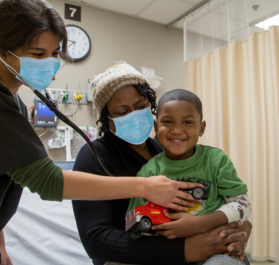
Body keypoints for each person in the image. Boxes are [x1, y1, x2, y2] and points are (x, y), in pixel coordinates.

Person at [0, 1, 201, 264]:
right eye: (37, 54)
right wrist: (146, 187)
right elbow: (47, 182)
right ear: (0, 51)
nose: (50, 64)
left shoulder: (10, 100)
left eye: (54, 53)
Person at [72, 64, 252, 265]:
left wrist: (239, 228)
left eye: (141, 106)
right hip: (133, 255)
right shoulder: (94, 156)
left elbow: (233, 202)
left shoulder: (169, 149)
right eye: (122, 111)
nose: (134, 114)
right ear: (107, 118)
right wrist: (186, 249)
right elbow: (96, 241)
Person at [125, 89, 251, 264]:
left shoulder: (216, 160)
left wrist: (201, 224)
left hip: (218, 253)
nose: (177, 130)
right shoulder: (148, 173)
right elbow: (136, 219)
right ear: (155, 127)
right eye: (168, 122)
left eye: (187, 122)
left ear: (202, 128)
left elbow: (243, 205)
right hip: (172, 253)